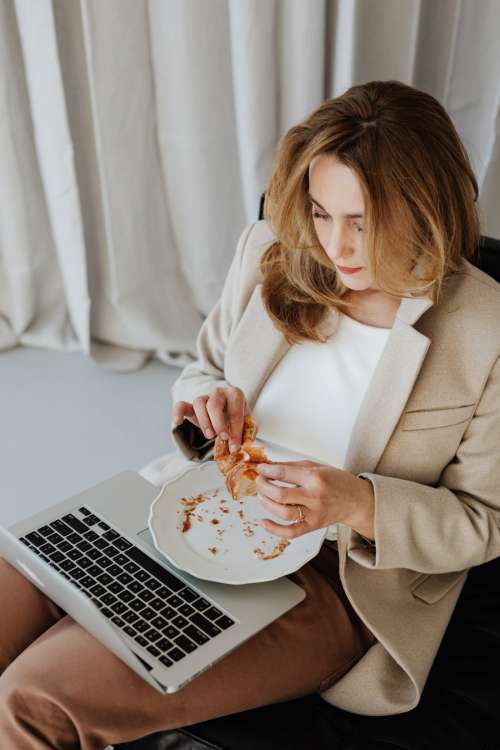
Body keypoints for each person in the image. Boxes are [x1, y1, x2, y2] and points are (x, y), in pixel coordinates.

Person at [0, 79, 498, 749]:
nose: (337, 246)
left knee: (33, 702)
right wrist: (203, 401)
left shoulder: (486, 330)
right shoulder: (272, 249)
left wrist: (357, 503)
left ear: (425, 206)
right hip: (186, 512)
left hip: (327, 578)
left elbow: (482, 523)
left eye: (364, 220)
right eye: (322, 212)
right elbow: (203, 365)